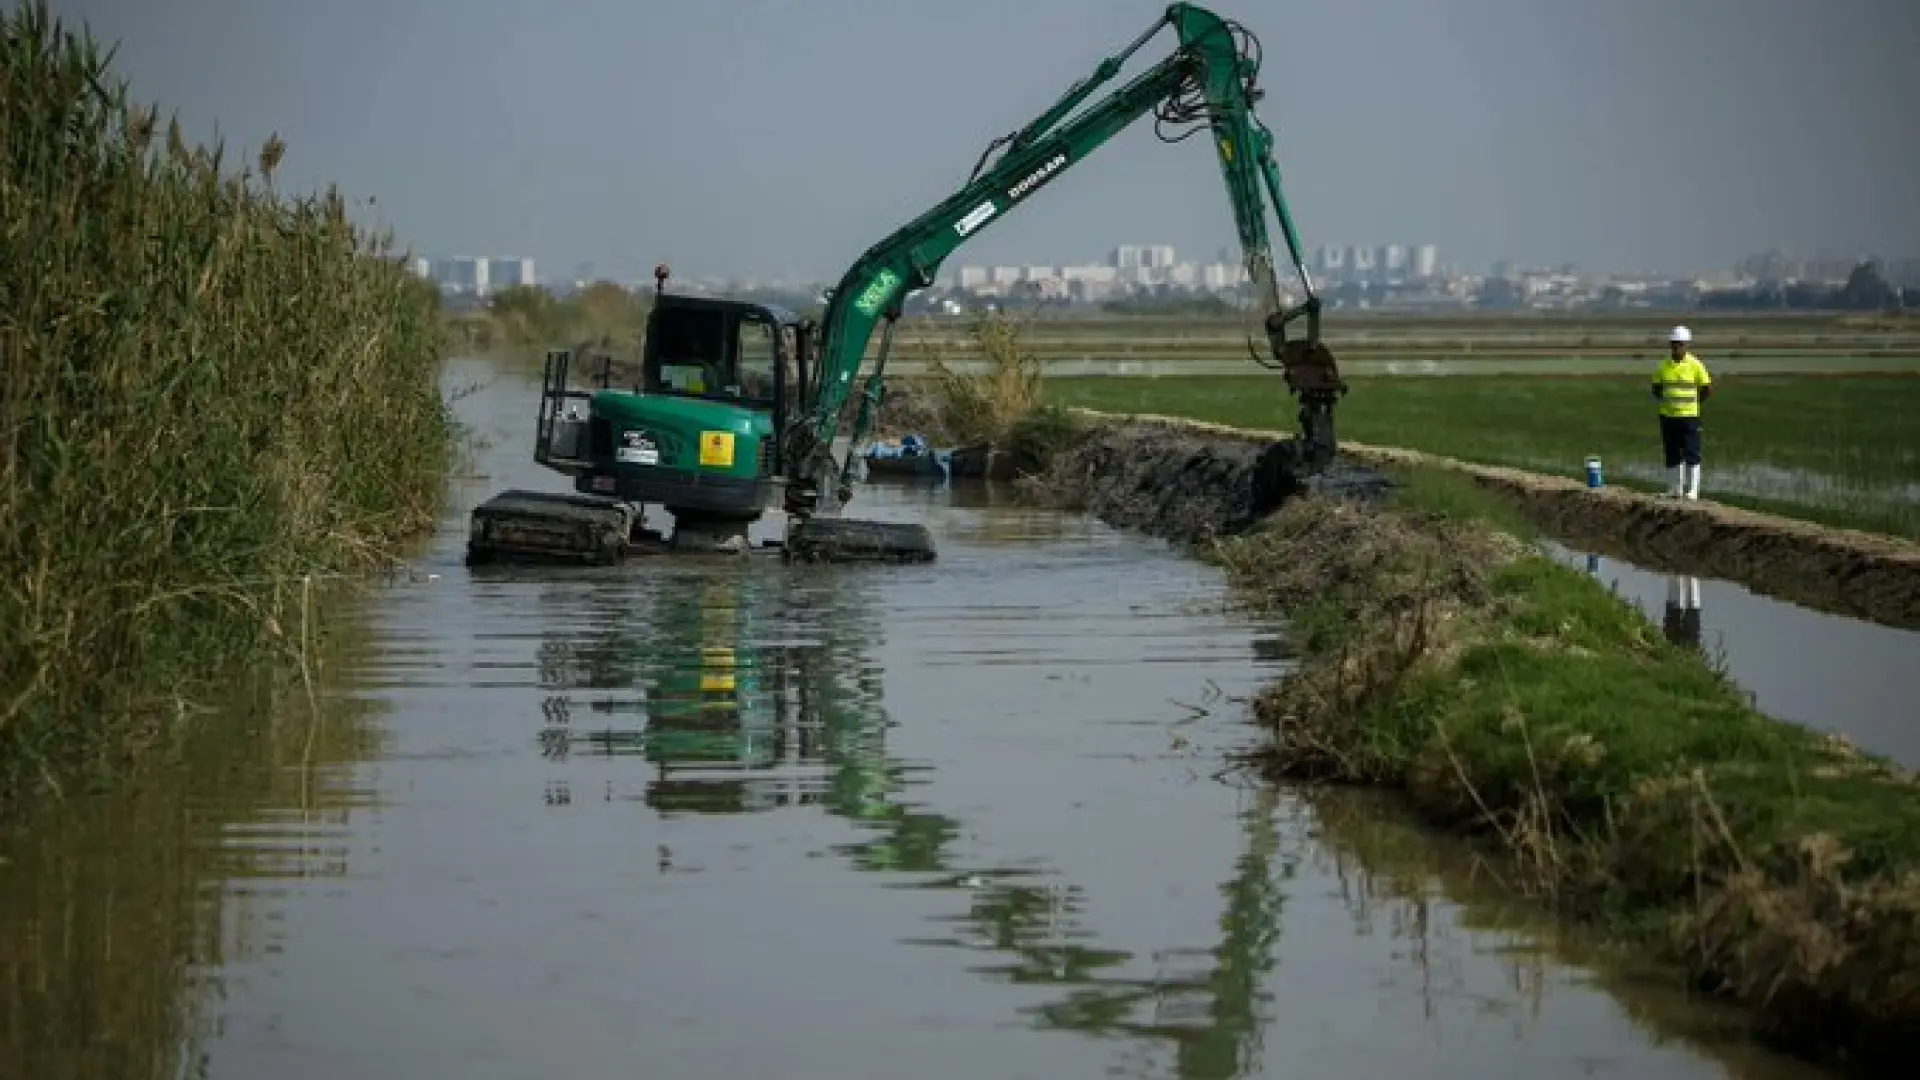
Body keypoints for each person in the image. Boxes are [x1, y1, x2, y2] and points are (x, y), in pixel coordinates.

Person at [1651, 325, 1713, 499]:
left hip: (1689, 417)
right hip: (1668, 417)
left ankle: (1692, 491)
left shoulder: (1695, 365)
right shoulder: (1663, 366)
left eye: (1681, 344)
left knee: (1692, 452)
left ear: (1687, 345)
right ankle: (1674, 489)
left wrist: (1694, 403)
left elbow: (1707, 389)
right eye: (1675, 344)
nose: (1677, 347)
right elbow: (1656, 388)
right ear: (1670, 345)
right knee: (1671, 453)